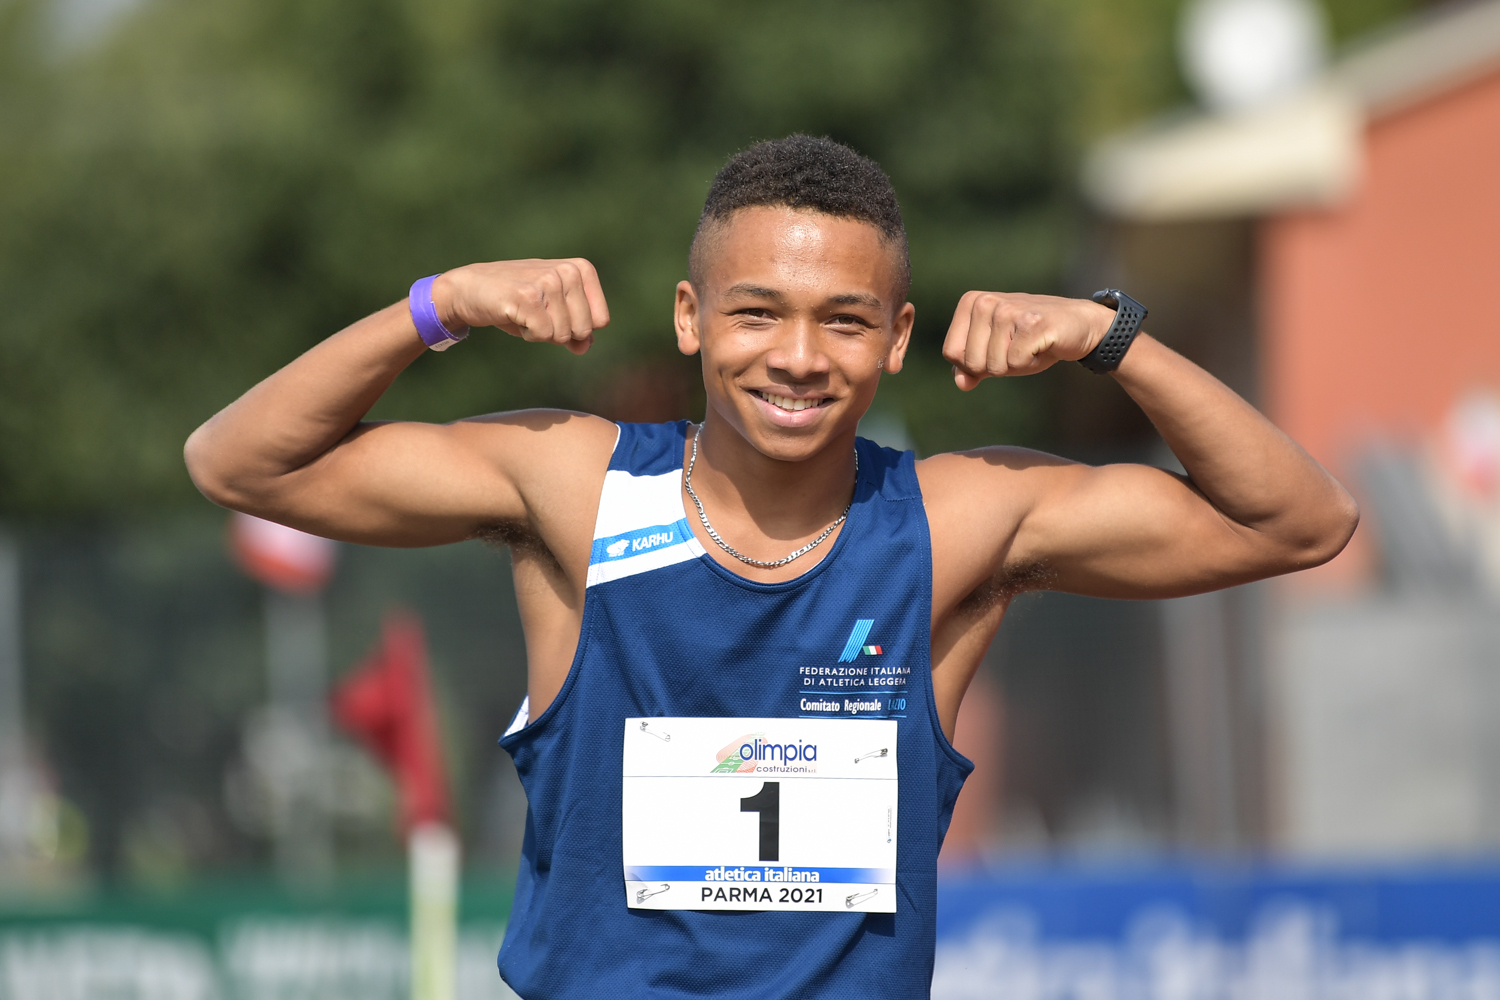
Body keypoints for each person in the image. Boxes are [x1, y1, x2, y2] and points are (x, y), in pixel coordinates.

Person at [184, 134, 1357, 998]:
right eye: (757, 313)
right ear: (690, 318)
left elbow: (1300, 522)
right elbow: (240, 463)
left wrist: (1111, 337)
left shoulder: (955, 521)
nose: (798, 356)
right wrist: (438, 307)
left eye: (844, 320)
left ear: (896, 338)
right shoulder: (579, 489)